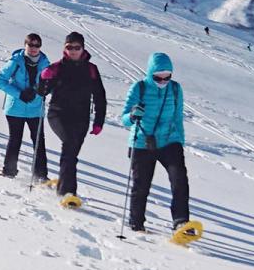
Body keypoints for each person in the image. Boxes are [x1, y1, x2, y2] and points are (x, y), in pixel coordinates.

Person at [120, 52, 189, 233]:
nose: (163, 81)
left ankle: (181, 222)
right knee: (141, 185)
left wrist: (179, 141)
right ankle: (136, 223)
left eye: (167, 77)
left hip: (169, 141)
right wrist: (133, 115)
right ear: (150, 73)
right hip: (142, 142)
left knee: (179, 180)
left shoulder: (175, 89)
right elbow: (124, 119)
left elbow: (178, 116)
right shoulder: (139, 88)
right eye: (158, 77)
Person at [39, 31, 107, 202]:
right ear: (65, 48)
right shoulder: (57, 68)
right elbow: (42, 93)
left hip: (81, 118)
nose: (73, 51)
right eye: (70, 47)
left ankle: (64, 182)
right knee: (69, 144)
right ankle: (67, 193)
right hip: (58, 114)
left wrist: (99, 121)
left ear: (83, 49)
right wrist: (43, 79)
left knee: (72, 153)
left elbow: (100, 96)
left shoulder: (91, 70)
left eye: (77, 47)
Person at [0, 33, 50, 179]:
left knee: (39, 141)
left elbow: (50, 84)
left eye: (37, 45)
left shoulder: (45, 64)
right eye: (30, 45)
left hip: (35, 109)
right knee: (15, 139)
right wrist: (19, 94)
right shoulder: (16, 61)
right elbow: (0, 81)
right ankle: (9, 170)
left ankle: (41, 175)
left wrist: (40, 91)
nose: (33, 48)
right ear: (25, 45)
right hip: (15, 108)